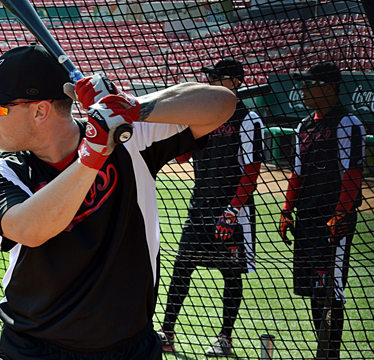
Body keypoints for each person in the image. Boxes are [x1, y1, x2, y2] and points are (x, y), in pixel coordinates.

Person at [0, 44, 237, 360]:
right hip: (33, 349)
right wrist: (94, 152)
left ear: (39, 110)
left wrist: (132, 108)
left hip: (130, 349)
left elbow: (222, 103)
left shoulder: (130, 139)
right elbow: (29, 229)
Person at [157, 58, 265, 357]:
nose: (210, 81)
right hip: (200, 205)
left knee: (232, 274)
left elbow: (251, 170)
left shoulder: (248, 118)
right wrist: (181, 124)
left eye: (216, 77)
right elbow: (182, 158)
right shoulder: (204, 118)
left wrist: (231, 212)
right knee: (181, 267)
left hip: (233, 210)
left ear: (234, 82)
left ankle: (225, 338)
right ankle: (167, 332)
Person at [279, 62, 366, 360]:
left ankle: (330, 355)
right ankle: (323, 352)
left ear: (329, 87)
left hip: (333, 222)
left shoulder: (348, 123)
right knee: (315, 290)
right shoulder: (305, 125)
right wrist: (286, 210)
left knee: (331, 290)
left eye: (309, 84)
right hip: (307, 219)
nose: (303, 90)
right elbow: (296, 174)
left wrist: (340, 213)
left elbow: (353, 174)